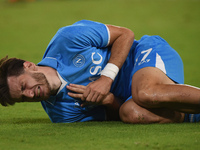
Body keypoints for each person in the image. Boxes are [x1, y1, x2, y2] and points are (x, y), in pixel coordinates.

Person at [0, 20, 200, 123]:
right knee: (130, 113)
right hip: (137, 98)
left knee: (145, 93)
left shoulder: (66, 40)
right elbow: (116, 116)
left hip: (145, 55)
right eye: (23, 98)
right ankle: (192, 117)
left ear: (28, 66)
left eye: (24, 86)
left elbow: (125, 34)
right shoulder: (61, 115)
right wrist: (108, 101)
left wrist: (107, 77)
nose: (30, 94)